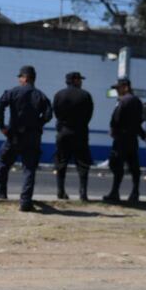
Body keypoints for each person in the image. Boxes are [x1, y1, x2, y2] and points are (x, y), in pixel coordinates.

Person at [0, 65, 53, 212]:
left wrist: (2, 126)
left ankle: (0, 192)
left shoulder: (13, 92)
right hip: (33, 137)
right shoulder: (41, 96)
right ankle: (25, 202)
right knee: (29, 169)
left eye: (20, 77)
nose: (19, 80)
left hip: (14, 135)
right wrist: (39, 124)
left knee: (3, 162)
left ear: (25, 78)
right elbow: (49, 115)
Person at [52, 71, 93, 201]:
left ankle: (60, 191)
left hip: (63, 132)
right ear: (75, 80)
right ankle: (83, 193)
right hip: (80, 132)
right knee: (82, 163)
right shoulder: (85, 95)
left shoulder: (59, 94)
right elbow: (89, 114)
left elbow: (56, 112)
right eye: (80, 79)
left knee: (61, 161)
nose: (81, 82)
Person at [104, 77, 143, 203]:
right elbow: (140, 119)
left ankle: (115, 192)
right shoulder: (137, 101)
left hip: (121, 138)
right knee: (134, 166)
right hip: (132, 138)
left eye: (118, 88)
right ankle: (135, 192)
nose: (117, 91)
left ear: (125, 87)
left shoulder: (124, 101)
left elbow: (116, 118)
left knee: (116, 165)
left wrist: (113, 130)